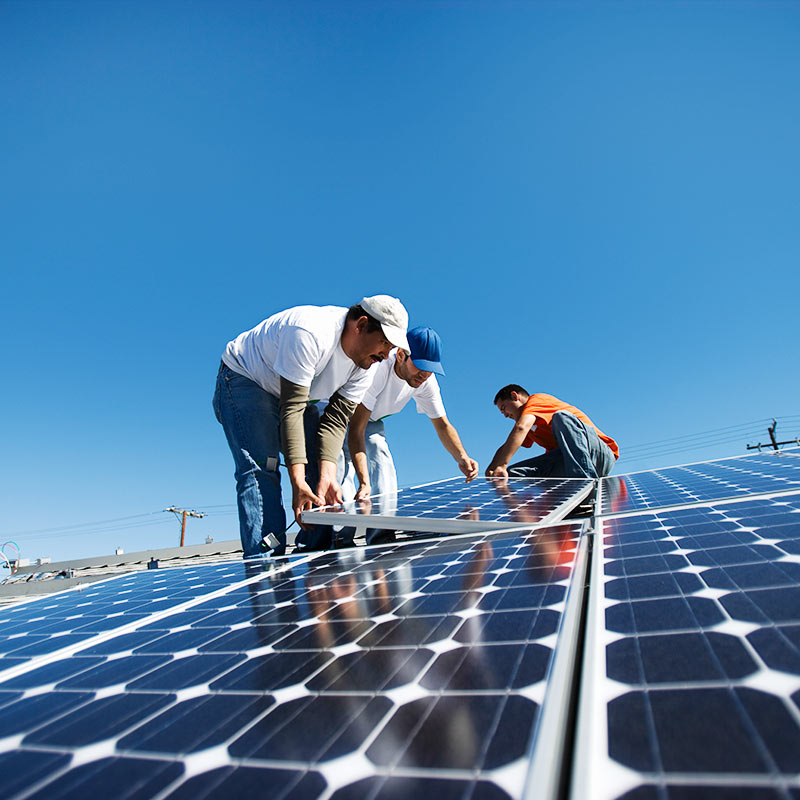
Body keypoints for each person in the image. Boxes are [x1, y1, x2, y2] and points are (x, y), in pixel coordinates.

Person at [213, 296, 409, 557]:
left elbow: (337, 420)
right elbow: (291, 408)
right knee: (264, 466)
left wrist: (327, 477)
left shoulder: (367, 364)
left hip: (298, 396)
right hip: (247, 378)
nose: (387, 354)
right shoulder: (310, 333)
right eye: (385, 342)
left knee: (320, 473)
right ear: (361, 325)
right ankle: (266, 565)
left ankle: (314, 555)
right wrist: (297, 481)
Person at [340, 326, 479, 543]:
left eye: (430, 369)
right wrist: (364, 481)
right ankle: (340, 535)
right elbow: (356, 429)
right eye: (420, 367)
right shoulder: (378, 369)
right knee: (344, 469)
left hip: (372, 420)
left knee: (380, 453)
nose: (424, 375)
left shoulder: (425, 381)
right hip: (342, 415)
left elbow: (442, 424)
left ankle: (382, 533)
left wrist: (461, 456)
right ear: (402, 355)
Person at [486, 385, 619, 479]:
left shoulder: (537, 400)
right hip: (568, 462)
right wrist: (492, 469)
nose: (505, 415)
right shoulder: (527, 426)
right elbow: (507, 445)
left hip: (598, 453)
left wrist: (502, 464)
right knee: (513, 473)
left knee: (561, 417)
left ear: (515, 396)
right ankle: (552, 504)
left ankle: (584, 486)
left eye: (504, 408)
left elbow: (520, 428)